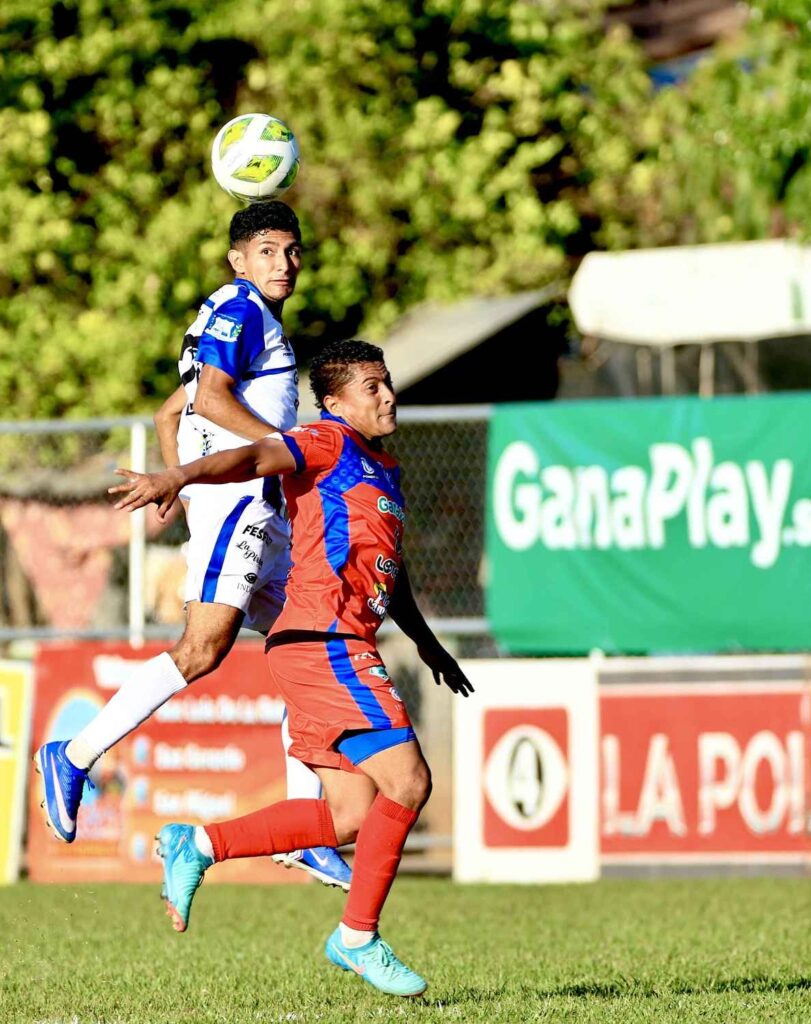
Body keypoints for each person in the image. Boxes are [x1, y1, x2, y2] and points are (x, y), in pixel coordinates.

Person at [110, 340, 474, 998]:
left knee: (350, 815)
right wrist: (178, 476)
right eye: (371, 387)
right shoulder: (327, 441)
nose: (388, 396)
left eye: (387, 382)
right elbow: (253, 456)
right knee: (409, 780)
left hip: (323, 645)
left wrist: (425, 643)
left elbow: (390, 572)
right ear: (334, 402)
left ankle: (199, 844)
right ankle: (357, 937)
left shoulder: (383, 469)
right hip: (324, 642)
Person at [35, 201, 350, 890]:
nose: (284, 264)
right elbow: (208, 399)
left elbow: (169, 412)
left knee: (314, 647)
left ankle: (303, 826)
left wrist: (180, 484)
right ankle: (74, 755)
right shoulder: (242, 310)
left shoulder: (225, 315)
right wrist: (290, 450)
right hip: (240, 502)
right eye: (267, 251)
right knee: (203, 648)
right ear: (238, 259)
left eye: (292, 251)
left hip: (244, 504)